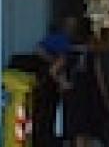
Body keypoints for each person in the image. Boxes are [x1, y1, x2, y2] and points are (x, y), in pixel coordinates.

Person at [51, 17, 109, 147]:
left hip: (72, 94)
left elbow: (53, 71)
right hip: (89, 95)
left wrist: (63, 83)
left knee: (76, 131)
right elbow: (99, 79)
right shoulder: (92, 55)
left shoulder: (68, 52)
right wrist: (105, 98)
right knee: (86, 132)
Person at [33, 16, 78, 147]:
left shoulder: (66, 41)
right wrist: (52, 61)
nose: (72, 28)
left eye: (73, 25)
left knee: (49, 115)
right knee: (50, 114)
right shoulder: (61, 40)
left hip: (51, 84)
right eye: (70, 25)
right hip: (50, 85)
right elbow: (40, 51)